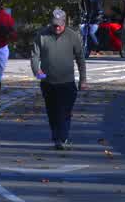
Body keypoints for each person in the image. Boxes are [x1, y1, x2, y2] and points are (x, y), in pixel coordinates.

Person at [31, 8, 88, 150]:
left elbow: (80, 59)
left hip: (67, 82)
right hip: (48, 82)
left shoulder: (73, 36)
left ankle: (62, 137)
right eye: (54, 24)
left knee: (65, 111)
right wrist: (37, 71)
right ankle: (57, 137)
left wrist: (83, 80)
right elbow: (35, 56)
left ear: (65, 22)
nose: (56, 27)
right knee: (52, 111)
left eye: (59, 25)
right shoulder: (42, 35)